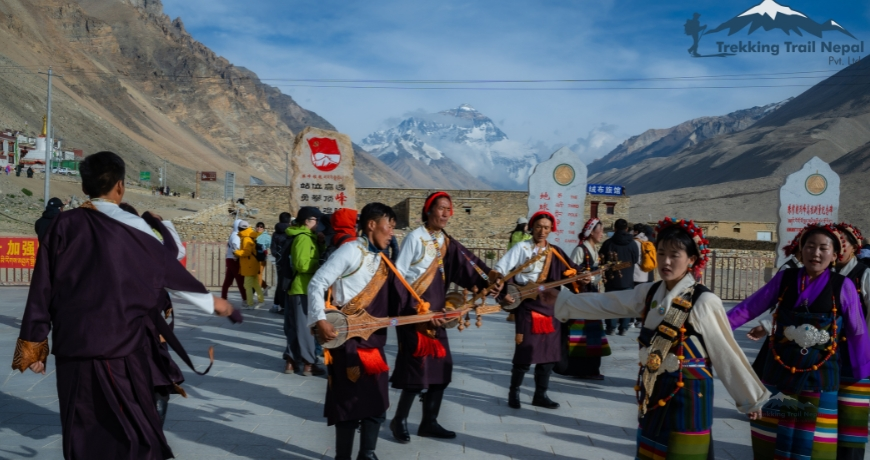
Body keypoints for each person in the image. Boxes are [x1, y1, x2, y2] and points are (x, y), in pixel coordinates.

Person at [11, 151, 236, 459]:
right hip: (120, 348)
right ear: (120, 187)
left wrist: (35, 343)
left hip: (73, 348)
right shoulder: (133, 226)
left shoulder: (63, 225)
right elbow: (167, 269)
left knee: (82, 430)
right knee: (132, 433)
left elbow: (42, 287)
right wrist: (212, 302)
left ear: (84, 186)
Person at [539, 216, 770, 459]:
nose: (666, 262)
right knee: (652, 449)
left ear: (692, 260)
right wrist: (564, 300)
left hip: (689, 391)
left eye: (674, 255)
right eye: (661, 253)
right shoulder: (650, 293)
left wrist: (750, 398)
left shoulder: (703, 300)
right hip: (655, 388)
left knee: (684, 451)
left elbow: (725, 350)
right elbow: (608, 303)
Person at [727, 223, 870, 459]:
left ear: (834, 255)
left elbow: (857, 330)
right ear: (800, 250)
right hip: (781, 368)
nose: (815, 253)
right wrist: (715, 328)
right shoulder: (785, 279)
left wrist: (860, 370)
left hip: (821, 371)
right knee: (773, 432)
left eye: (823, 248)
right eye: (810, 246)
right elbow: (749, 307)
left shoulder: (842, 285)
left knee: (812, 436)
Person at [308, 202, 417, 460]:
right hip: (347, 342)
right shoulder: (350, 251)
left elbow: (400, 300)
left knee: (377, 401)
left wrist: (427, 314)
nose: (392, 233)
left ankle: (367, 453)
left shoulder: (383, 261)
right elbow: (317, 283)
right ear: (371, 225)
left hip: (373, 344)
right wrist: (320, 319)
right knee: (348, 404)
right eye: (389, 226)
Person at [389, 191, 495, 443]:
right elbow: (399, 277)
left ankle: (429, 422)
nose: (446, 213)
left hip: (438, 315)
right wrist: (419, 310)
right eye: (441, 208)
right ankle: (399, 420)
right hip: (415, 316)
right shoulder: (416, 238)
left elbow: (466, 265)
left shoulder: (445, 241)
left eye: (449, 209)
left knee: (442, 369)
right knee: (417, 371)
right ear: (429, 210)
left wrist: (489, 279)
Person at [494, 211, 581, 410]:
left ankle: (540, 395)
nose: (542, 231)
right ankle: (514, 392)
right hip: (528, 306)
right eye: (539, 226)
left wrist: (583, 277)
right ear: (532, 227)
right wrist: (503, 291)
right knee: (525, 351)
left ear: (552, 230)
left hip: (551, 307)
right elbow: (500, 270)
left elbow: (573, 270)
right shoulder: (521, 248)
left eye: (547, 228)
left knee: (549, 354)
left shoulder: (556, 251)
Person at [554, 217, 610, 380]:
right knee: (580, 335)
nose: (602, 234)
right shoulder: (580, 251)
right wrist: (583, 277)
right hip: (580, 300)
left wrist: (596, 277)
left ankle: (591, 368)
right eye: (600, 231)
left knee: (592, 335)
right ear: (591, 232)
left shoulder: (594, 252)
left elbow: (595, 276)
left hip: (592, 300)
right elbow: (569, 274)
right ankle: (578, 368)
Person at [833, 223, 870, 459]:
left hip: (856, 357)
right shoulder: (826, 275)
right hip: (826, 359)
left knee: (852, 421)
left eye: (842, 241)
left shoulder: (864, 273)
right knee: (827, 420)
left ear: (855, 246)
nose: (838, 247)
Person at [283, 206, 326, 376]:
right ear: (308, 221)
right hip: (303, 287)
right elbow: (302, 264)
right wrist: (321, 264)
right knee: (307, 327)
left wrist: (320, 245)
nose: (318, 223)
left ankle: (291, 362)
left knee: (296, 327)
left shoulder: (309, 237)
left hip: (300, 287)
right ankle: (308, 363)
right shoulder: (303, 238)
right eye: (316, 220)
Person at [600, 219, 639, 335]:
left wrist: (614, 267)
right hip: (627, 279)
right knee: (626, 304)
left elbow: (602, 259)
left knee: (611, 303)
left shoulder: (608, 243)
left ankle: (611, 327)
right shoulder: (632, 243)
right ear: (627, 229)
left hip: (611, 279)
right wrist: (625, 265)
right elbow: (635, 260)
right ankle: (623, 328)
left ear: (615, 228)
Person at [234, 221, 264, 308]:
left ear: (240, 229)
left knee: (247, 285)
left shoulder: (246, 238)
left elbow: (246, 252)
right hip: (253, 263)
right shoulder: (250, 236)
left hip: (249, 265)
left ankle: (250, 303)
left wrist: (236, 252)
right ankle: (261, 300)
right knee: (255, 284)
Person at [270, 212, 293, 314]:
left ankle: (277, 305)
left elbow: (273, 249)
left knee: (280, 283)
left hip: (279, 262)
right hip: (289, 261)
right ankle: (286, 307)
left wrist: (278, 257)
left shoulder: (275, 233)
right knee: (288, 283)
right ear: (289, 220)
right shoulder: (291, 232)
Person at [221, 219, 248, 304]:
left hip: (230, 259)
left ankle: (223, 297)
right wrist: (237, 256)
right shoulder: (236, 236)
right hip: (234, 260)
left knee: (228, 281)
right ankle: (245, 299)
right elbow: (235, 247)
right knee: (240, 280)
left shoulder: (233, 234)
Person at [255, 222, 271, 297]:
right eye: (258, 226)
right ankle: (265, 286)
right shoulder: (253, 235)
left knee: (259, 273)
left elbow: (269, 245)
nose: (259, 228)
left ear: (263, 228)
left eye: (261, 227)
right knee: (255, 274)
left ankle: (257, 289)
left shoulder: (267, 237)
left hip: (261, 257)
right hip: (254, 258)